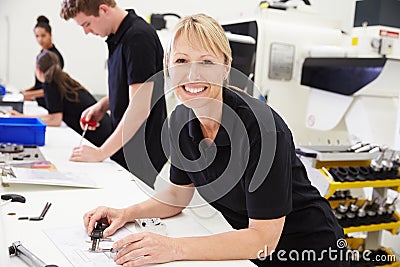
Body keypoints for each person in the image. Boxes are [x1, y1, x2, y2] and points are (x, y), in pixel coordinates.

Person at [82, 14, 349, 267]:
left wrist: (173, 247)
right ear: (168, 68)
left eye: (207, 62)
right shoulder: (180, 120)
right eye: (181, 61)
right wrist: (125, 214)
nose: (192, 74)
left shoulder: (263, 130)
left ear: (225, 68)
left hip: (311, 252)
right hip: (249, 254)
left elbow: (264, 239)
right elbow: (177, 195)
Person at [60, 0, 168, 188]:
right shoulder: (118, 37)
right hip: (126, 145)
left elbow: (140, 107)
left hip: (142, 151)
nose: (86, 32)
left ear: (103, 10)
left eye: (87, 24)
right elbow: (131, 87)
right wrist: (102, 105)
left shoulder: (138, 37)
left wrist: (101, 152)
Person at [11, 50, 112, 148]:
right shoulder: (62, 78)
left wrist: (23, 117)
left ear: (38, 70)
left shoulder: (50, 83)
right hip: (106, 126)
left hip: (97, 132)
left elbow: (55, 120)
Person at [22, 15, 64, 108]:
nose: (40, 39)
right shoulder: (42, 54)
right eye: (37, 36)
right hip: (40, 103)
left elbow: (52, 88)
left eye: (43, 35)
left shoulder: (54, 57)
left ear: (50, 35)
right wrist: (25, 92)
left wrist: (25, 96)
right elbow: (40, 85)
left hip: (49, 105)